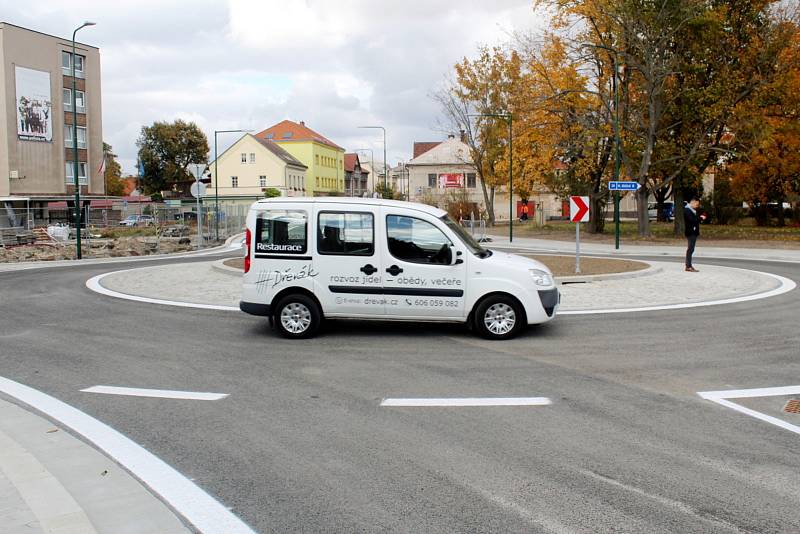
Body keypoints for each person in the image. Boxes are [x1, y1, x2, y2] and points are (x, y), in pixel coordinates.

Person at [684, 196, 704, 272]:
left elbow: (695, 220)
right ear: (693, 201)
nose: (697, 206)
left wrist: (700, 218)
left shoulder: (692, 210)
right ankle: (688, 266)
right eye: (697, 204)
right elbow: (692, 220)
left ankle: (689, 265)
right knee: (690, 249)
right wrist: (701, 218)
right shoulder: (687, 210)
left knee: (691, 249)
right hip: (690, 232)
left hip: (693, 232)